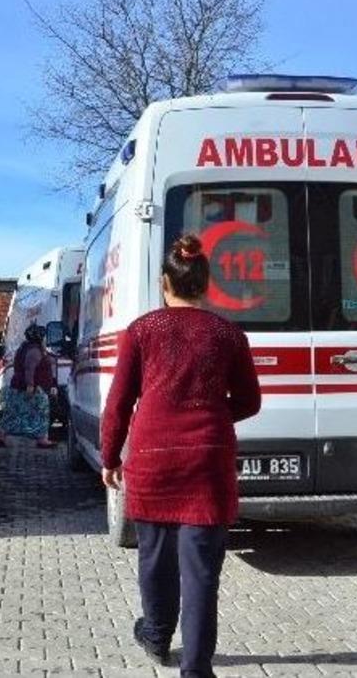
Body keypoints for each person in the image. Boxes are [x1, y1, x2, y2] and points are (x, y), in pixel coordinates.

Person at [100, 234, 260, 677]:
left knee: (154, 558)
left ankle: (155, 636)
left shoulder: (142, 331)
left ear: (164, 283)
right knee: (202, 574)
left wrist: (109, 457)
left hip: (152, 459)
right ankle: (196, 669)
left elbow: (118, 403)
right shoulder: (228, 334)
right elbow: (250, 401)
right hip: (208, 462)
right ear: (205, 284)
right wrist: (211, 413)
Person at [0, 324, 55, 448]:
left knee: (13, 412)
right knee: (41, 412)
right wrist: (30, 385)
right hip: (33, 388)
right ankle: (42, 438)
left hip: (18, 386)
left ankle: (2, 436)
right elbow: (29, 369)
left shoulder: (24, 348)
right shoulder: (34, 351)